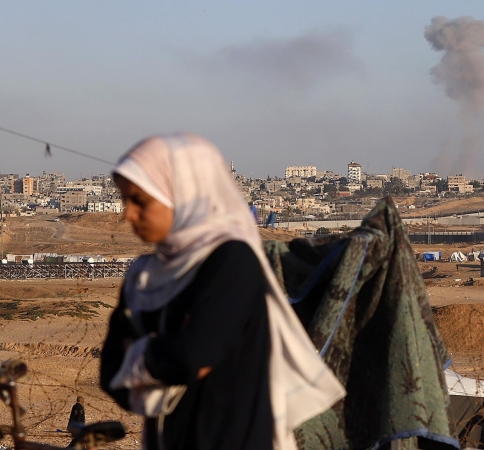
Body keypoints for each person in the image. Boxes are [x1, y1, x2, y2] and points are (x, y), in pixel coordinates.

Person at [100, 134, 344, 450]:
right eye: (124, 201)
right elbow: (110, 374)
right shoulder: (144, 276)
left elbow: (195, 354)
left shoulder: (231, 260)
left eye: (140, 201)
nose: (128, 215)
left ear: (184, 195)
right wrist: (166, 357)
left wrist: (140, 353)